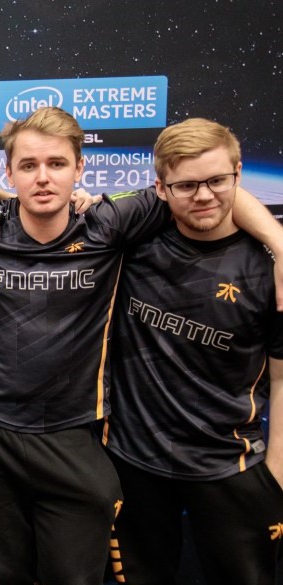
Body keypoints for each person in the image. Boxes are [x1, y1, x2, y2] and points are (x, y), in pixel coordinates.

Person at [0, 108, 283, 584]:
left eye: (57, 164)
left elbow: (206, 186)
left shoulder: (109, 222)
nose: (43, 178)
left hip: (75, 437)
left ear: (80, 169)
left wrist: (278, 244)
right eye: (29, 166)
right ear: (8, 173)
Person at [101, 118, 283, 584]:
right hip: (133, 464)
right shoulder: (135, 240)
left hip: (230, 466)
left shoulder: (270, 271)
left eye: (218, 180)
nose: (203, 196)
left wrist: (276, 472)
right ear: (160, 188)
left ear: (238, 175)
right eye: (186, 185)